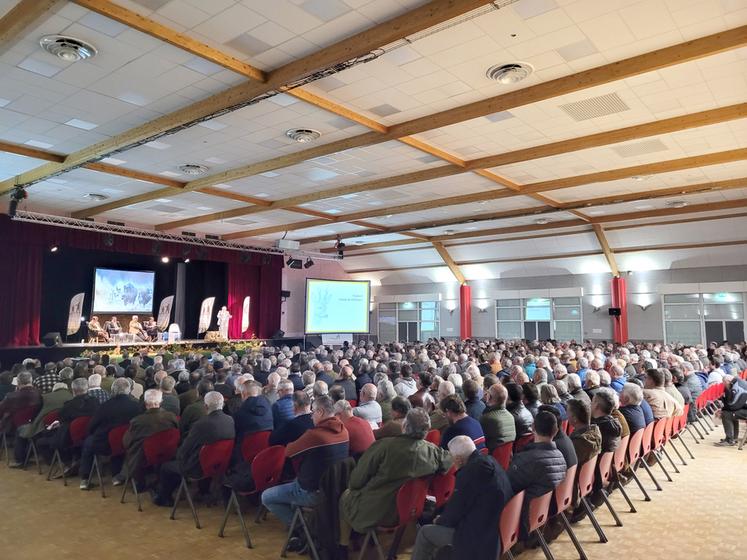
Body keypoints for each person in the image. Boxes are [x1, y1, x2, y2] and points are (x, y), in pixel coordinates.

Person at [339, 408, 452, 540]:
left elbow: (355, 482)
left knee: (345, 496)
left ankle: (343, 544)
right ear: (426, 430)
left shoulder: (383, 447)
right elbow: (449, 462)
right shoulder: (433, 451)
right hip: (411, 510)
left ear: (404, 425)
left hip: (378, 511)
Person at [411, 435, 513, 560]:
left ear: (458, 459)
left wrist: (440, 520)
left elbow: (455, 512)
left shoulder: (469, 474)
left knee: (425, 533)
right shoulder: (490, 461)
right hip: (499, 529)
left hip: (480, 538)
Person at [261, 395, 349, 532]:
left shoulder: (315, 435)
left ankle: (302, 529)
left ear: (320, 412)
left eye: (313, 412)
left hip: (312, 492)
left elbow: (288, 452)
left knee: (266, 497)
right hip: (335, 488)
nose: (311, 416)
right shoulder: (344, 431)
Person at [152, 391, 235, 506]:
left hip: (198, 468)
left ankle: (163, 498)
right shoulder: (230, 420)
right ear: (223, 404)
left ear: (206, 406)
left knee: (166, 467)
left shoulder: (201, 424)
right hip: (219, 464)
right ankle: (202, 490)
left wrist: (177, 456)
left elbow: (185, 449)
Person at [506, 411, 566, 536]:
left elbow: (507, 488)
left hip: (522, 518)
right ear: (555, 431)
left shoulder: (527, 460)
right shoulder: (560, 456)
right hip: (544, 513)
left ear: (533, 428)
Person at [79, 378, 141, 489]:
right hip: (129, 443)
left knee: (88, 442)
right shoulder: (136, 406)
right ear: (129, 390)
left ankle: (85, 478)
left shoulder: (104, 406)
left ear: (113, 390)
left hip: (105, 444)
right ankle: (116, 475)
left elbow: (92, 426)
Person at [120, 389, 178, 487]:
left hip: (143, 458)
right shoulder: (171, 417)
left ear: (146, 404)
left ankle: (135, 482)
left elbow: (126, 442)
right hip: (168, 452)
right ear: (160, 403)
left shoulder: (137, 421)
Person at [480, 383, 517, 452]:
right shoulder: (511, 416)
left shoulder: (486, 418)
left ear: (489, 397)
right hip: (506, 459)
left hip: (490, 458)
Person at [715, 374, 747, 446]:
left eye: (724, 382)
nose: (723, 384)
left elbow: (733, 406)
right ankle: (734, 438)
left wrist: (723, 410)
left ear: (728, 381)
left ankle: (730, 440)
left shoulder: (736, 387)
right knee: (731, 413)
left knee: (727, 414)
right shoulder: (737, 383)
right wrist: (723, 409)